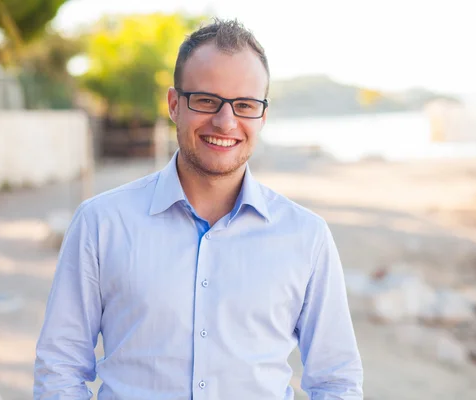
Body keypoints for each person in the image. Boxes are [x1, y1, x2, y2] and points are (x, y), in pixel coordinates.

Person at [34, 18, 363, 399]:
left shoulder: (307, 237)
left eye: (244, 105)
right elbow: (59, 368)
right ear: (175, 104)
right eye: (207, 100)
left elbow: (336, 381)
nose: (226, 122)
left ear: (263, 116)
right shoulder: (100, 224)